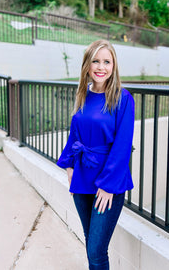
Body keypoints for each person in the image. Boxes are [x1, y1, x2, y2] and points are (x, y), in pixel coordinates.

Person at [57, 39, 135, 269]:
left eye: (107, 62)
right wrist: (70, 166)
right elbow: (75, 135)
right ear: (87, 66)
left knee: (97, 251)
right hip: (82, 177)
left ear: (114, 66)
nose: (101, 67)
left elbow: (122, 146)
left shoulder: (123, 98)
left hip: (108, 182)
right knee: (91, 246)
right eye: (96, 61)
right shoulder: (83, 94)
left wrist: (108, 185)